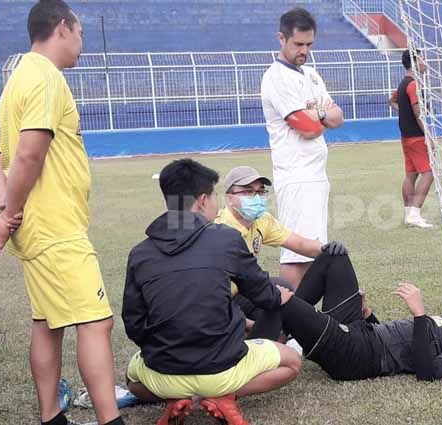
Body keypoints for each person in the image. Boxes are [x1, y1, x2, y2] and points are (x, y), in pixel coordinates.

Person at [0, 2, 124, 424]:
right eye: (79, 34)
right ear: (63, 28)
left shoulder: (15, 80)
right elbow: (27, 156)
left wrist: (7, 210)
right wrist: (10, 215)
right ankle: (110, 419)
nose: (82, 45)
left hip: (39, 230)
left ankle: (50, 416)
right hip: (56, 229)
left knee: (47, 323)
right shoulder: (45, 77)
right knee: (96, 323)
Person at [122, 159, 302, 425]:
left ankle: (181, 395)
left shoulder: (140, 253)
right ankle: (219, 395)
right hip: (222, 367)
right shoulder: (226, 238)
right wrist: (278, 296)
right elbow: (263, 294)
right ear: (203, 200)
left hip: (164, 370)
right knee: (292, 362)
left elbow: (133, 323)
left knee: (131, 380)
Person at [267, 252, 442, 381]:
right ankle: (286, 331)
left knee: (281, 296)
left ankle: (243, 357)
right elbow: (400, 347)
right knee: (335, 257)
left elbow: (429, 372)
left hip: (355, 355)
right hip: (363, 332)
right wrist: (370, 316)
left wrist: (419, 315)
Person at [261, 7, 344, 287]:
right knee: (296, 257)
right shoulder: (277, 77)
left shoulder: (311, 76)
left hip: (315, 175)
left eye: (309, 44)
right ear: (281, 38)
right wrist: (321, 115)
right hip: (296, 177)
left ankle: (301, 323)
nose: (304, 50)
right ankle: (287, 325)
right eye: (298, 44)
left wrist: (317, 115)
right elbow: (307, 128)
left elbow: (338, 117)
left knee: (312, 255)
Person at [213, 165, 348, 335]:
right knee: (274, 293)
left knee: (278, 288)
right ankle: (258, 344)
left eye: (260, 192)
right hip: (219, 301)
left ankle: (278, 334)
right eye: (247, 192)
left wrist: (326, 249)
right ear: (229, 198)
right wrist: (247, 324)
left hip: (242, 294)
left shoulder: (262, 220)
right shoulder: (220, 229)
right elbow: (210, 293)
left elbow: (299, 243)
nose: (256, 197)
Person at [389, 49, 434, 228]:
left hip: (406, 136)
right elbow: (418, 112)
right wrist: (427, 135)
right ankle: (415, 214)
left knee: (411, 175)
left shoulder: (403, 84)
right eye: (422, 58)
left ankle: (409, 214)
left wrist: (404, 112)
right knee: (429, 173)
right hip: (416, 136)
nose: (425, 62)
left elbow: (392, 101)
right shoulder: (413, 85)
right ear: (415, 61)